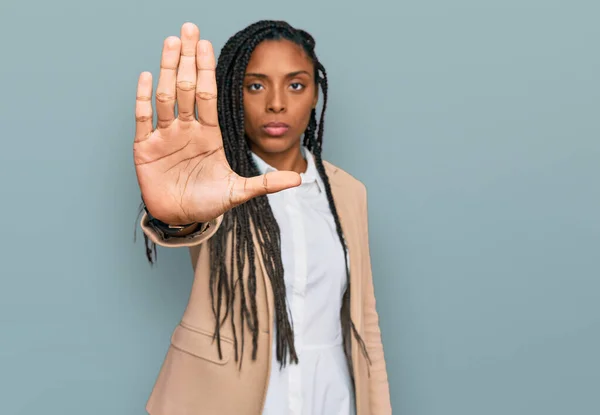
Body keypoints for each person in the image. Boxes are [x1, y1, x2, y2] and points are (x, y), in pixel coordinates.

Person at [133, 19, 391, 415]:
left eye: (295, 84)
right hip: (226, 400)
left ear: (315, 95)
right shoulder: (216, 184)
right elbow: (189, 226)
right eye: (256, 85)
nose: (276, 102)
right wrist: (175, 216)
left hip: (328, 396)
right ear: (234, 95)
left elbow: (363, 320)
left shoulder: (349, 192)